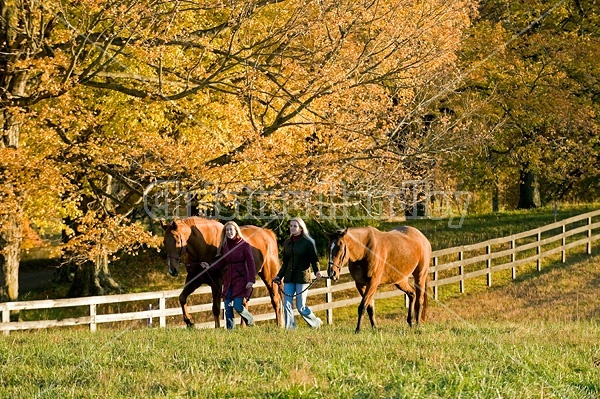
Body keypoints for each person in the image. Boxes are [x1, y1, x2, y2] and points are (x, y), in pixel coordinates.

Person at [201, 221, 255, 329]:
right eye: (227, 230)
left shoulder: (244, 245)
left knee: (238, 305)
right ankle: (231, 330)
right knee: (227, 305)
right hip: (228, 279)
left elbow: (250, 262)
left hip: (241, 278)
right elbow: (222, 262)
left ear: (236, 230)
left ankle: (251, 321)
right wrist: (209, 266)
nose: (229, 232)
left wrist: (251, 280)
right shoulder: (225, 246)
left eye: (231, 229)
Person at [273, 217, 322, 330]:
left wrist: (317, 271)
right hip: (289, 277)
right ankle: (290, 328)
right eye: (291, 226)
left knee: (301, 306)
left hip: (302, 277)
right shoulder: (287, 243)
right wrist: (279, 276)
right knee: (287, 304)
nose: (292, 228)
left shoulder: (308, 242)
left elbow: (314, 259)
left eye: (295, 226)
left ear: (301, 228)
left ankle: (315, 323)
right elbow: (285, 262)